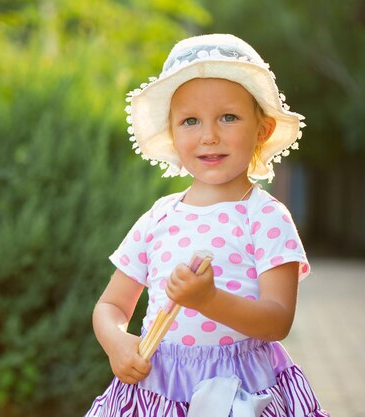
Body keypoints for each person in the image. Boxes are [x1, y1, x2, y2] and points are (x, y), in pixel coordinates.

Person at [84, 34, 329, 417]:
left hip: (237, 392)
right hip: (158, 390)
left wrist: (208, 301)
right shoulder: (160, 216)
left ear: (261, 130)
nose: (209, 135)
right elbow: (112, 304)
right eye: (190, 121)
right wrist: (117, 342)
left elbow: (278, 319)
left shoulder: (265, 216)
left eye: (228, 117)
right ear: (172, 133)